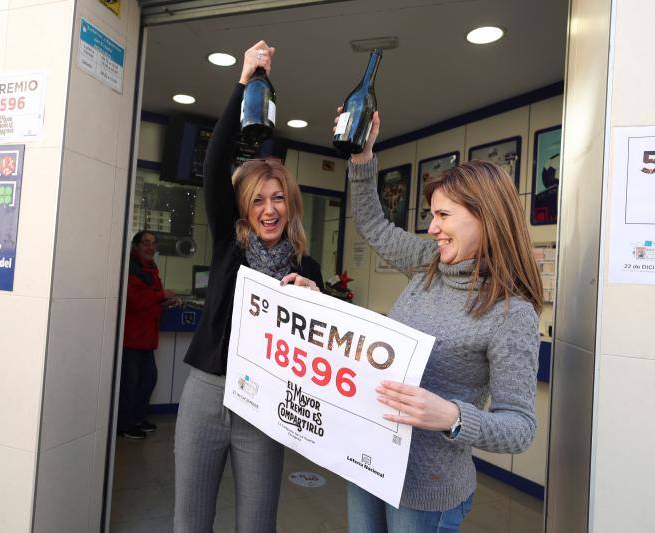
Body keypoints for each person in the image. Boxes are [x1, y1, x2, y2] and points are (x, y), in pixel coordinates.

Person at [341, 110, 543, 532]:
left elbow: (520, 428)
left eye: (443, 216)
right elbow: (374, 225)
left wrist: (452, 415)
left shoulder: (511, 313)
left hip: (425, 491)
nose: (431, 228)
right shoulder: (427, 265)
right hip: (367, 461)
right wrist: (362, 159)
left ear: (486, 218)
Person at [173, 41, 324, 533]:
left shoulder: (307, 267)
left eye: (279, 197)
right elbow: (214, 164)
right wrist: (242, 84)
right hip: (206, 397)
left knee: (257, 524)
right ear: (245, 206)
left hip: (264, 406)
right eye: (258, 199)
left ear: (291, 204)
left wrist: (316, 302)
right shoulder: (226, 245)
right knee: (191, 521)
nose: (269, 208)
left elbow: (322, 343)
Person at [118, 230, 175, 440]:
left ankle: (138, 419)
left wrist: (165, 302)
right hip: (131, 339)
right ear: (135, 246)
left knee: (148, 379)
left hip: (147, 338)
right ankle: (124, 425)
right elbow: (135, 300)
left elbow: (150, 299)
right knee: (129, 384)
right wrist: (162, 295)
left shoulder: (151, 269)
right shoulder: (130, 268)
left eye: (153, 243)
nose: (150, 247)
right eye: (145, 243)